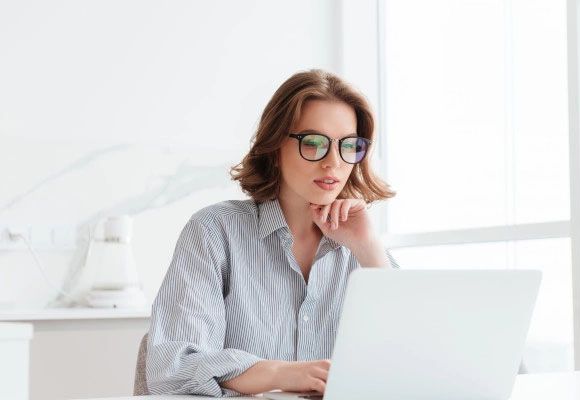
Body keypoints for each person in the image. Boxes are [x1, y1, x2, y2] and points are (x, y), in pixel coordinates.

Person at [146, 69, 398, 397]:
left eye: (348, 146)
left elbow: (412, 368)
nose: (333, 162)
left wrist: (370, 252)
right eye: (314, 143)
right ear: (275, 146)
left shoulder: (363, 248)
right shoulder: (214, 232)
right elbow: (173, 369)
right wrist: (280, 373)